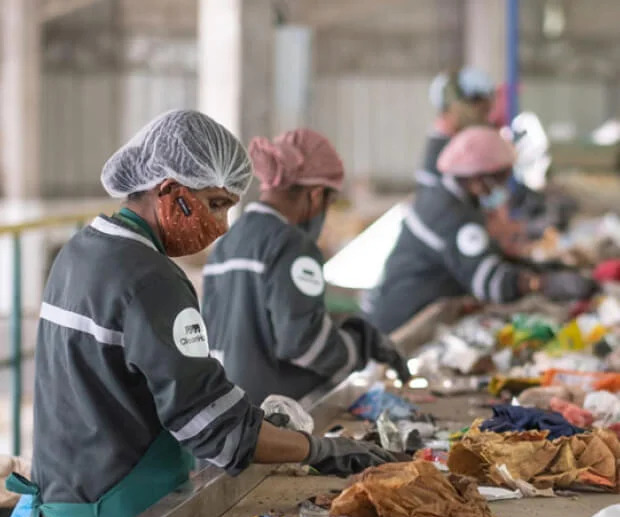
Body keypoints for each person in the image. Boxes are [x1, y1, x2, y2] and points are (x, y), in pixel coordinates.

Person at [9, 110, 395, 517]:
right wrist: (322, 449)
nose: (220, 225)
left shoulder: (80, 253)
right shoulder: (150, 279)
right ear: (171, 194)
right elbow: (220, 431)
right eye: (214, 204)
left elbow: (149, 386)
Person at [201, 128, 409, 404]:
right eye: (330, 202)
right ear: (315, 195)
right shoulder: (292, 244)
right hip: (276, 414)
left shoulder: (230, 238)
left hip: (229, 404)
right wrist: (359, 346)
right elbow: (304, 345)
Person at [367, 126, 598, 335]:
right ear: (478, 177)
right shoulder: (452, 214)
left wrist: (540, 268)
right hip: (402, 325)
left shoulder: (449, 197)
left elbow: (487, 255)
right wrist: (543, 283)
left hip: (413, 312)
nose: (502, 187)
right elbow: (489, 282)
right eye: (500, 178)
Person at [416, 66, 496, 188]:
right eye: (481, 110)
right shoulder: (444, 148)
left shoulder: (456, 142)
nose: (485, 119)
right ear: (456, 106)